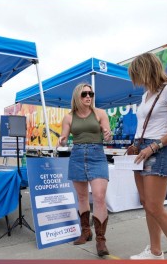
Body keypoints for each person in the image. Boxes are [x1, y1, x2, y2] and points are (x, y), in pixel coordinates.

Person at [127, 53, 167, 260]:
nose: (135, 80)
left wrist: (153, 146)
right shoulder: (146, 95)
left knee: (155, 206)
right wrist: (134, 145)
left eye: (136, 74)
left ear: (146, 69)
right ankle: (155, 251)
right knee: (147, 204)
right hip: (140, 150)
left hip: (158, 151)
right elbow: (144, 126)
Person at [57, 83, 112, 257]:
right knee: (81, 196)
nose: (88, 96)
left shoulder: (100, 113)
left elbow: (107, 136)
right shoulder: (69, 117)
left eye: (91, 93)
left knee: (98, 196)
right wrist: (62, 140)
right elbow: (64, 140)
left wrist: (108, 135)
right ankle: (85, 231)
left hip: (97, 155)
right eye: (84, 94)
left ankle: (100, 239)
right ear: (77, 97)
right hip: (77, 155)